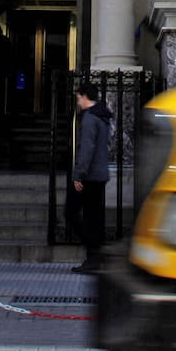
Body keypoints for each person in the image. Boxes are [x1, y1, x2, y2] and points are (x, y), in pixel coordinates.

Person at [66, 83, 110, 274]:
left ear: (85, 97)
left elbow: (86, 149)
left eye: (78, 98)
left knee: (71, 213)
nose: (78, 102)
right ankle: (95, 255)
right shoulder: (102, 116)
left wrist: (79, 175)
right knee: (93, 216)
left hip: (89, 176)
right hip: (100, 174)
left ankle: (94, 252)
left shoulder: (90, 118)